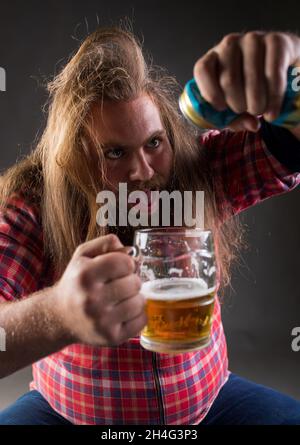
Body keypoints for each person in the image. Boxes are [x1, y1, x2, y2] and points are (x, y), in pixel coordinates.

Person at [0, 27, 300, 425]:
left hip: (212, 406)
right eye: (115, 153)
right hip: (65, 414)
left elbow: (288, 143)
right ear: (74, 159)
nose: (143, 171)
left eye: (153, 143)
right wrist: (59, 315)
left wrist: (290, 72)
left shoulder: (196, 172)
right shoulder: (35, 204)